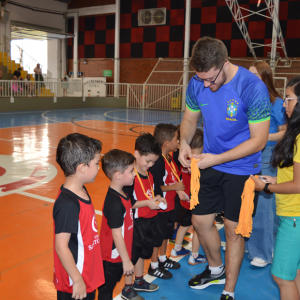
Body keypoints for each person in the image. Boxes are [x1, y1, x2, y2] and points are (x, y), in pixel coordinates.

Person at [179, 37, 271, 300]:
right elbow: (189, 118)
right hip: (209, 161)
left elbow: (259, 141)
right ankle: (216, 269)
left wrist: (216, 159)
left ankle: (228, 290)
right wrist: (184, 141)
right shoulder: (197, 82)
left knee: (233, 230)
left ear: (225, 63)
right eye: (201, 79)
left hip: (242, 169)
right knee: (200, 221)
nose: (206, 84)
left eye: (210, 79)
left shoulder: (252, 87)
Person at [250, 76, 300, 300]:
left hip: (294, 218)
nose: (284, 103)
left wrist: (267, 188)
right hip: (294, 215)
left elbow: (298, 185)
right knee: (295, 272)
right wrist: (274, 181)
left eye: (288, 98)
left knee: (281, 277)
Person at [53, 133, 104, 300]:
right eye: (96, 163)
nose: (98, 167)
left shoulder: (81, 190)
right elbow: (61, 246)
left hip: (87, 273)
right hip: (75, 282)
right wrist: (77, 279)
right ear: (82, 168)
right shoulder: (68, 204)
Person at [247, 61, 287, 267]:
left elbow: (284, 131)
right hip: (247, 156)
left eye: (255, 74)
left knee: (263, 206)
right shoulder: (247, 99)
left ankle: (263, 251)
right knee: (250, 203)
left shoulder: (277, 102)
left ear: (265, 77)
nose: (251, 78)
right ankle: (255, 242)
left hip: (267, 156)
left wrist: (261, 137)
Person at [98, 149, 143, 300]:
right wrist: (126, 260)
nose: (134, 174)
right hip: (113, 256)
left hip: (121, 253)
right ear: (118, 175)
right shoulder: (114, 203)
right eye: (131, 171)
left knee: (110, 285)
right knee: (106, 288)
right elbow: (116, 234)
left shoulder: (123, 193)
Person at [123, 133, 165, 294]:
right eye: (148, 161)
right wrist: (148, 203)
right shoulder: (130, 177)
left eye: (153, 162)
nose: (150, 165)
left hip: (149, 220)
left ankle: (139, 280)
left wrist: (157, 199)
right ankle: (127, 287)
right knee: (132, 255)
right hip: (135, 223)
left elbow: (149, 195)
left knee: (141, 253)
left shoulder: (150, 175)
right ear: (136, 154)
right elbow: (129, 204)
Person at [148, 123, 185, 279]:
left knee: (165, 235)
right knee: (158, 237)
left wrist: (177, 189)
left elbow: (170, 179)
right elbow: (156, 188)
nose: (178, 142)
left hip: (170, 205)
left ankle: (163, 259)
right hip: (161, 206)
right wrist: (175, 187)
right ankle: (154, 265)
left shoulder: (169, 158)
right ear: (166, 143)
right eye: (176, 139)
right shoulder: (158, 163)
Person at [170, 129, 207, 265]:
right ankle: (194, 256)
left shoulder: (183, 158)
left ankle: (176, 249)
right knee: (197, 229)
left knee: (184, 225)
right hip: (197, 200)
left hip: (185, 198)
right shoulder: (202, 161)